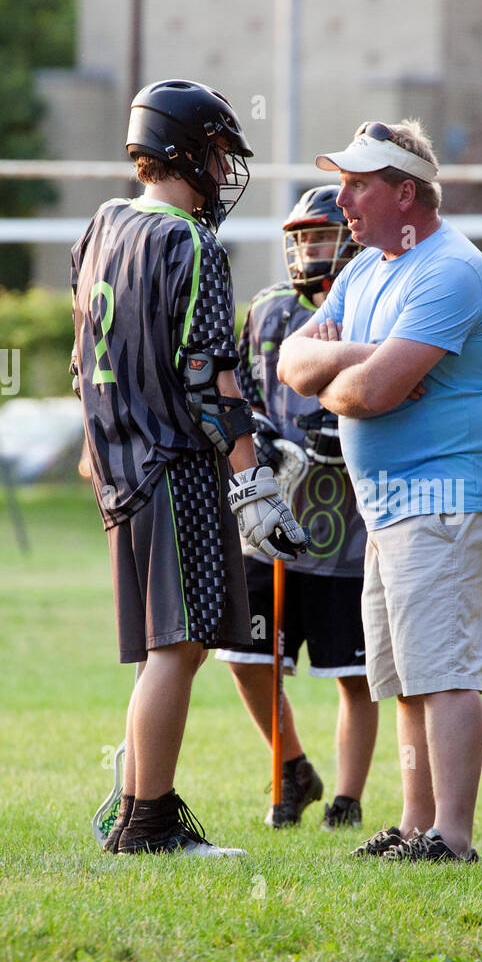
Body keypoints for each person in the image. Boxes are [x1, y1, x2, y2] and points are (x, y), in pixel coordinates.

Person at [70, 79, 307, 858]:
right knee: (179, 646)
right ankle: (149, 822)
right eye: (214, 151)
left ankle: (136, 810)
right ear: (184, 150)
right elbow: (211, 375)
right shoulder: (190, 244)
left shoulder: (103, 225)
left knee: (164, 647)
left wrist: (91, 449)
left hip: (119, 466)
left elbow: (83, 360)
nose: (221, 168)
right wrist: (254, 480)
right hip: (174, 466)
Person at [277, 119, 482, 864]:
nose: (343, 199)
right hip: (390, 506)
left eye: (358, 184)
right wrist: (359, 358)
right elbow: (294, 362)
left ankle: (453, 837)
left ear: (405, 192)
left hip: (448, 496)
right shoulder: (363, 271)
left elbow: (373, 393)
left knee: (445, 673)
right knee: (406, 680)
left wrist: (350, 369)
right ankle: (418, 826)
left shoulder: (450, 268)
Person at [214, 186, 379, 830]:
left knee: (354, 675)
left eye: (322, 235)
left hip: (348, 532)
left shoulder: (374, 304)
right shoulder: (268, 310)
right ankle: (292, 768)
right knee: (249, 658)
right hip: (269, 523)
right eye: (302, 237)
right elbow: (239, 392)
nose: (310, 248)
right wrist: (263, 439)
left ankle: (348, 797)